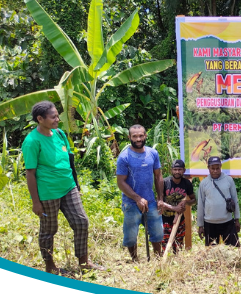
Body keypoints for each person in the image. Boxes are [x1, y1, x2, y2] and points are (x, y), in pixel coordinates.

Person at [22, 101, 103, 274]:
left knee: (81, 222)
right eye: (53, 117)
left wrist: (76, 184)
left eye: (57, 115)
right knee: (49, 230)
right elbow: (30, 173)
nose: (57, 119)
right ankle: (50, 266)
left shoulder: (59, 134)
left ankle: (83, 262)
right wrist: (35, 202)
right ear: (40, 119)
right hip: (48, 192)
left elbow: (69, 160)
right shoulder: (32, 141)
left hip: (68, 187)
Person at [116, 124, 164, 261]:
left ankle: (158, 259)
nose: (138, 139)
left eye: (141, 136)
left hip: (151, 201)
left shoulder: (152, 154)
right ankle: (134, 260)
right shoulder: (124, 157)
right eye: (135, 136)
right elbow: (121, 182)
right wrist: (137, 198)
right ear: (129, 137)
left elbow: (158, 176)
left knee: (157, 231)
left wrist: (160, 198)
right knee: (131, 234)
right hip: (131, 202)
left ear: (145, 136)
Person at [197, 156, 240, 246]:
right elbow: (201, 205)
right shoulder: (204, 183)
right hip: (210, 223)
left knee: (233, 250)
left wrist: (237, 219)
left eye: (217, 168)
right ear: (208, 168)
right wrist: (200, 225)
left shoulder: (229, 180)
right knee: (211, 254)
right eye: (213, 168)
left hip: (227, 222)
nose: (215, 171)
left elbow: (235, 200)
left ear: (221, 167)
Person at [159, 159, 196, 253]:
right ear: (171, 170)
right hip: (165, 217)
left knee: (178, 242)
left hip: (180, 218)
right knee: (164, 242)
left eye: (179, 169)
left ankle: (177, 260)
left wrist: (186, 202)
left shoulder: (187, 184)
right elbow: (159, 202)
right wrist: (174, 208)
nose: (177, 172)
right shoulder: (165, 182)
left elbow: (194, 200)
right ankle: (164, 261)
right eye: (175, 169)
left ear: (184, 170)